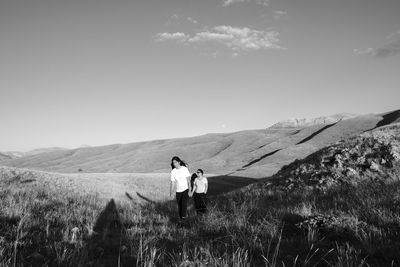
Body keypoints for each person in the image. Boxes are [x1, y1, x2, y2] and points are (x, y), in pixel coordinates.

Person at [170, 156, 191, 221]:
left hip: (185, 189)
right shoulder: (173, 171)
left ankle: (183, 218)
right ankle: (181, 218)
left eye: (175, 162)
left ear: (179, 162)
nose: (174, 164)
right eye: (173, 163)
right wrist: (171, 193)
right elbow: (173, 183)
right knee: (179, 206)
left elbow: (188, 180)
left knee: (183, 204)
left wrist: (190, 190)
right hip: (178, 191)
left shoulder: (184, 169)